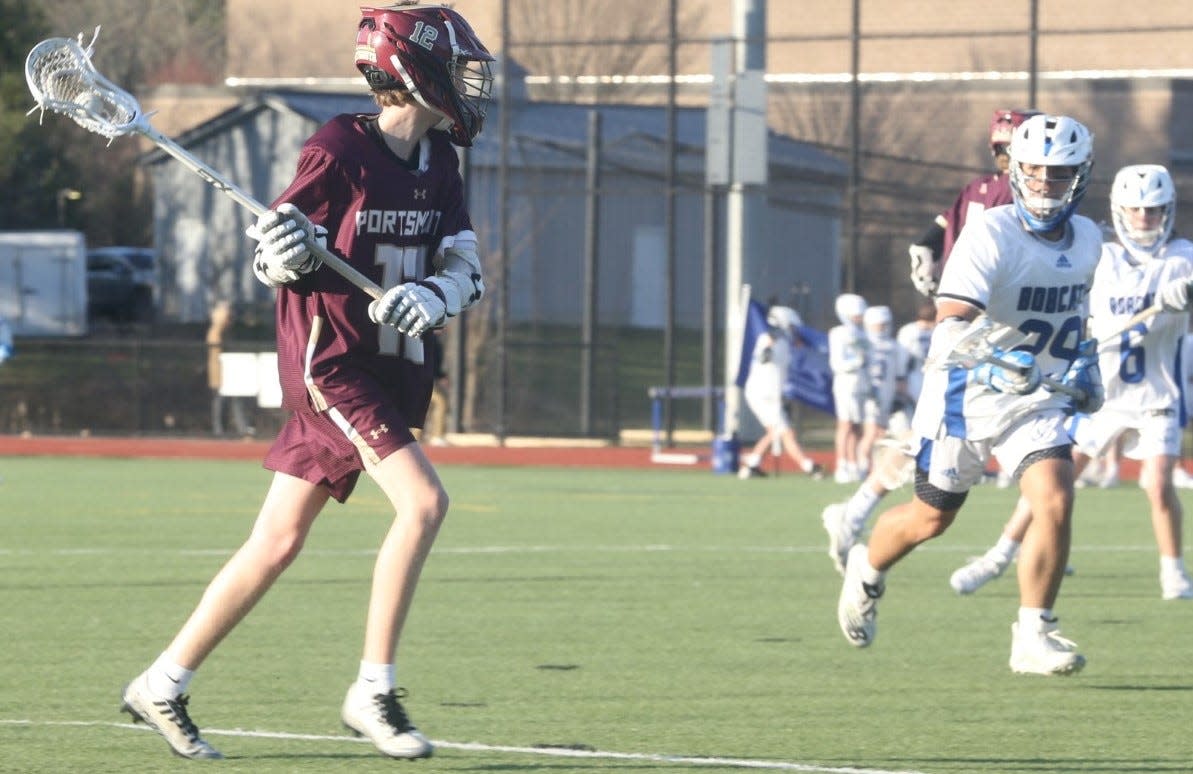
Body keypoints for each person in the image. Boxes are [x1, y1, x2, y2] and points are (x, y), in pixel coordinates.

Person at [119, 3, 494, 760]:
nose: (468, 83)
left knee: (276, 541)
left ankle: (162, 682)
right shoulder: (339, 149)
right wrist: (286, 252)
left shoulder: (440, 163)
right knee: (423, 504)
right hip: (335, 369)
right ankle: (373, 689)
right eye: (456, 67)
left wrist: (433, 294)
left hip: (390, 370)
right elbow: (277, 253)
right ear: (413, 70)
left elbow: (466, 266)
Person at [836, 113, 1102, 676]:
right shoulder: (991, 231)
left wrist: (1087, 365)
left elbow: (1078, 317)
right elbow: (951, 322)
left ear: (1081, 176)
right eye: (1035, 171)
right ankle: (866, 566)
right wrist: (1001, 359)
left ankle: (1033, 632)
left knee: (1053, 495)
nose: (1046, 184)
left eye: (1060, 173)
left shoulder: (1088, 240)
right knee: (930, 520)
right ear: (1017, 170)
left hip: (1034, 399)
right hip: (968, 390)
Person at [948, 164, 1193, 601]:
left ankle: (1173, 571)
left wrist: (1185, 299)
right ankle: (999, 554)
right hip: (1099, 390)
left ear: (1167, 212)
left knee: (1157, 482)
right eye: (1136, 210)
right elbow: (1081, 310)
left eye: (1153, 211)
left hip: (1158, 390)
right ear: (1119, 211)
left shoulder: (1182, 258)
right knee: (1055, 474)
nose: (1144, 219)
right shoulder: (1103, 255)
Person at [909, 108, 1042, 297]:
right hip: (1002, 295)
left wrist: (926, 258)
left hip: (960, 291)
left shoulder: (978, 188)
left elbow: (930, 238)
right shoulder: (1028, 189)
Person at [738, 305, 822, 479]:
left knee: (774, 431)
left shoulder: (783, 342)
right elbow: (765, 355)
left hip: (768, 394)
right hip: (764, 394)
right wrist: (769, 348)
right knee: (785, 432)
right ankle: (809, 466)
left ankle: (751, 464)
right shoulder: (770, 338)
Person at [855, 305, 911, 472]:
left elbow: (898, 373)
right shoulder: (864, 344)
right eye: (877, 325)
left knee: (882, 433)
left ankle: (876, 466)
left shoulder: (894, 346)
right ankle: (861, 467)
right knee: (871, 432)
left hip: (887, 394)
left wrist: (898, 393)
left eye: (883, 325)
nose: (881, 329)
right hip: (871, 393)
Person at [828, 293, 870, 483]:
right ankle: (841, 464)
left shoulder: (863, 334)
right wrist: (856, 363)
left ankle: (854, 464)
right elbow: (836, 363)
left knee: (856, 426)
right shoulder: (838, 333)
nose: (860, 318)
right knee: (845, 424)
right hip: (846, 382)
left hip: (861, 382)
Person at [206, 301, 254, 437]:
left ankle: (241, 428)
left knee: (234, 400)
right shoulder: (215, 331)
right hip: (220, 374)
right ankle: (219, 430)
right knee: (220, 401)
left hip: (229, 373)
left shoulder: (227, 332)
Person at [421, 329, 450, 446]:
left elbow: (435, 363)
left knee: (424, 407)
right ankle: (437, 436)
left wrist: (441, 376)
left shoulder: (433, 340)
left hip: (428, 379)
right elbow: (429, 362)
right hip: (424, 380)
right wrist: (440, 375)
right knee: (440, 403)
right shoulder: (428, 339)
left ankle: (417, 437)